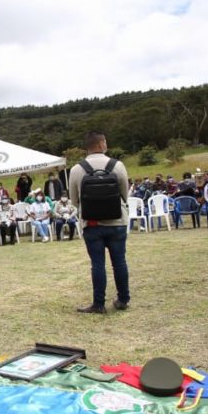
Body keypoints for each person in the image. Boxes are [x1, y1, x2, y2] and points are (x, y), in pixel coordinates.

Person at [69, 131, 130, 315]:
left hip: (92, 223)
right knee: (119, 262)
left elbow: (74, 200)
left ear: (87, 146)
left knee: (97, 264)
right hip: (117, 221)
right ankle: (123, 299)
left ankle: (98, 304)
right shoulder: (117, 165)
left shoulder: (77, 169)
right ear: (102, 144)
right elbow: (125, 194)